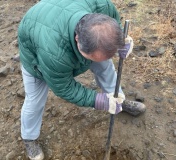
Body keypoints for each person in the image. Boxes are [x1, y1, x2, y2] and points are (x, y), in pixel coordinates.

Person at [18, 0, 146, 159]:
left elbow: (113, 21)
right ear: (77, 39)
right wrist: (98, 100)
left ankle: (117, 100)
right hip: (37, 54)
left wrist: (120, 40)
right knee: (35, 99)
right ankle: (29, 138)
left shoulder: (102, 6)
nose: (94, 61)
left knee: (106, 67)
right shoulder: (54, 53)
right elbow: (64, 87)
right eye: (91, 58)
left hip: (62, 26)